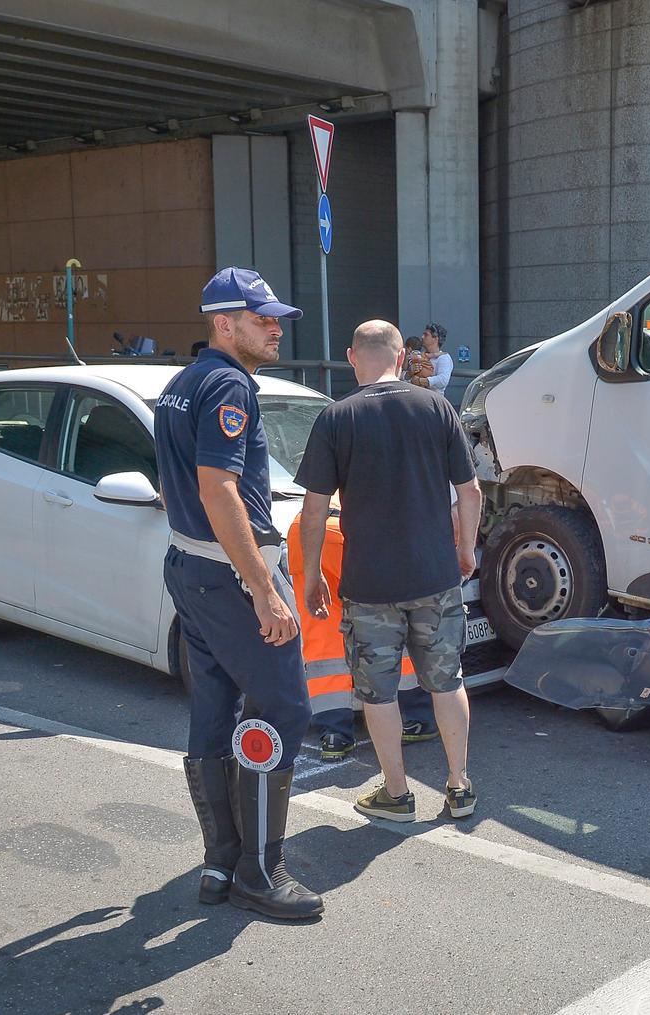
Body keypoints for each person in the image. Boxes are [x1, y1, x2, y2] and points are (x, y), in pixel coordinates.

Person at [155, 267, 322, 921]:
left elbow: (174, 486)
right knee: (284, 707)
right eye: (263, 318)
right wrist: (262, 587)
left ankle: (221, 859)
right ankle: (258, 869)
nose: (275, 327)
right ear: (224, 323)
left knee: (216, 707)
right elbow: (216, 488)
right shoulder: (228, 382)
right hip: (230, 574)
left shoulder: (182, 382)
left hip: (192, 567)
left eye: (276, 317)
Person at [295, 320, 482, 823]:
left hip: (370, 583)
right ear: (403, 358)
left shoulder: (336, 418)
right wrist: (465, 551)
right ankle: (459, 786)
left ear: (353, 358)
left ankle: (397, 794)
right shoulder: (437, 408)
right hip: (435, 576)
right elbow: (471, 493)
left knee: (377, 692)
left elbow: (314, 511)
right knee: (447, 681)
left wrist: (311, 577)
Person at [286, 507, 439, 761]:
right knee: (391, 618)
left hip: (303, 532)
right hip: (348, 531)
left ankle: (334, 734)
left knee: (324, 637)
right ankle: (417, 717)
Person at [407, 323, 453, 394]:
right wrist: (410, 372)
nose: (422, 337)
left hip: (433, 400)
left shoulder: (443, 358)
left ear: (436, 338)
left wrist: (420, 381)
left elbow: (443, 380)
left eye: (426, 335)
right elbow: (403, 377)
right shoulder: (418, 356)